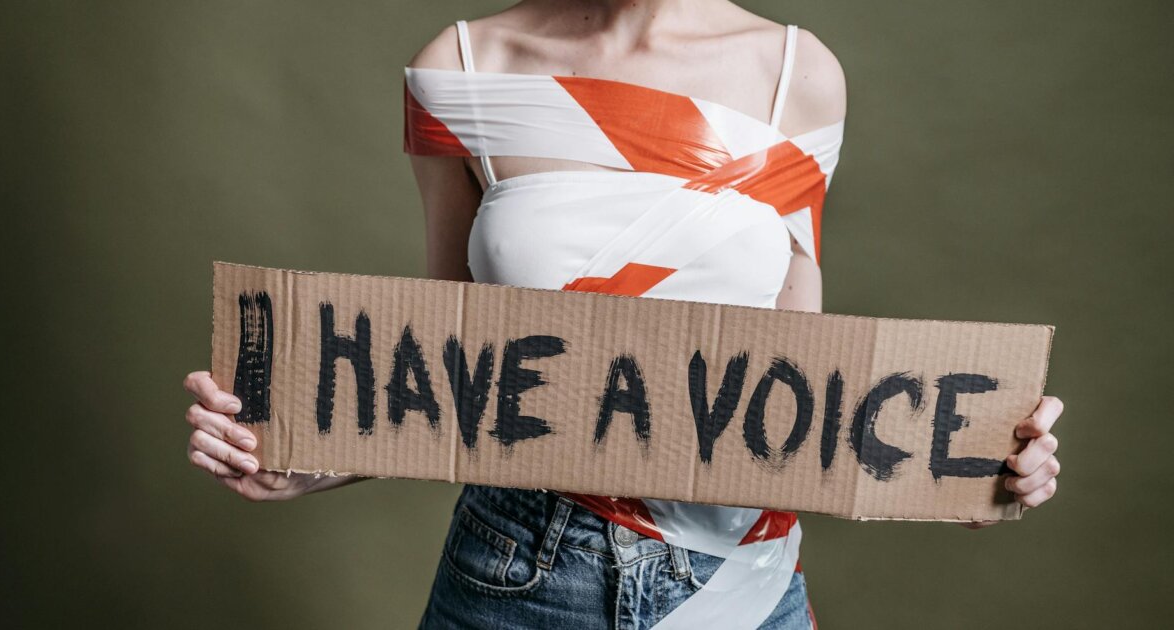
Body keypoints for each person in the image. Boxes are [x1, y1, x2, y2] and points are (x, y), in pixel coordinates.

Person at [182, 1, 1064, 627]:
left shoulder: (798, 75)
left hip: (734, 575)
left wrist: (972, 462)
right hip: (517, 568)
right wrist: (303, 460)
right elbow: (442, 369)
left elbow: (799, 381)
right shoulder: (464, 63)